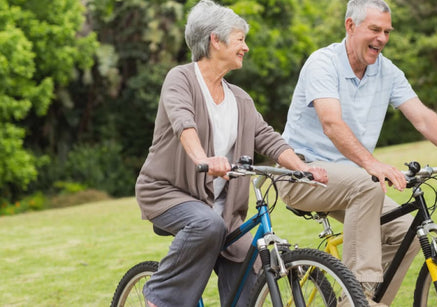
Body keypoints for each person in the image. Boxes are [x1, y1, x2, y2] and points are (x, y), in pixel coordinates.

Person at [279, 0, 437, 305]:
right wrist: (372, 164)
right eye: (375, 29)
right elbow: (331, 123)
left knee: (406, 232)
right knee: (367, 183)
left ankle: (369, 301)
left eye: (387, 31)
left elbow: (422, 117)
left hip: (350, 180)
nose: (383, 38)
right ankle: (356, 297)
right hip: (300, 173)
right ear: (350, 26)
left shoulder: (386, 71)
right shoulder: (322, 63)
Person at [134, 1, 327, 306]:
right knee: (207, 225)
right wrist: (203, 159)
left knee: (249, 265)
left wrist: (302, 167)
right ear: (215, 40)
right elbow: (184, 123)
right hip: (168, 192)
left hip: (225, 210)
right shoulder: (180, 79)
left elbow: (268, 139)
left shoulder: (240, 99)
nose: (246, 48)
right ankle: (159, 299)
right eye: (240, 39)